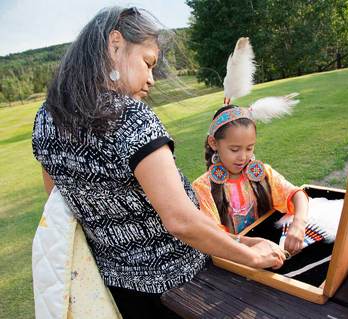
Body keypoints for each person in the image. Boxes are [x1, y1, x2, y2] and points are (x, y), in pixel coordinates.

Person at [31, 6, 285, 318]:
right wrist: (251, 258)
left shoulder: (47, 117)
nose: (151, 79)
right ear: (115, 44)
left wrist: (238, 240)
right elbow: (180, 219)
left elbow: (58, 199)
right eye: (147, 63)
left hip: (119, 291)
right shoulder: (131, 117)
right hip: (182, 288)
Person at [192, 104, 310, 256]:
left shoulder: (263, 173)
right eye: (234, 149)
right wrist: (254, 247)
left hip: (272, 251)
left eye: (249, 148)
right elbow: (213, 236)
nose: (242, 157)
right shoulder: (203, 187)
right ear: (213, 143)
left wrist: (299, 223)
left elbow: (297, 195)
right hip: (234, 258)